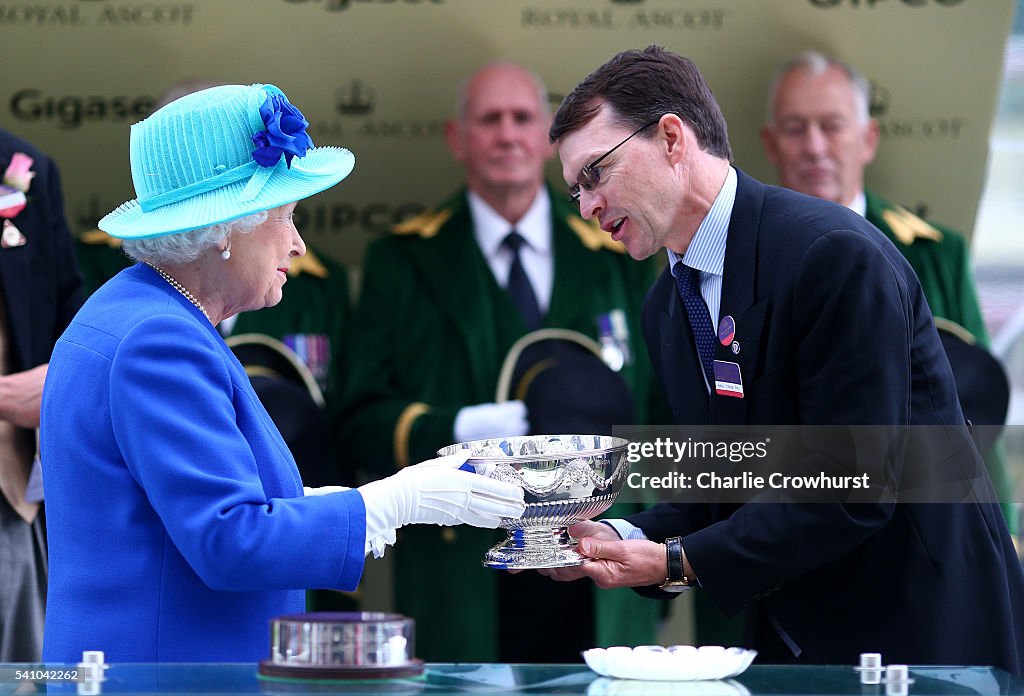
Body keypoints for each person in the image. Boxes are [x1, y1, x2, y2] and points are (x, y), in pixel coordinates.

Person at [543, 45, 1024, 674]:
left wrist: (675, 560)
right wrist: (624, 538)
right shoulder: (666, 304)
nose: (586, 205)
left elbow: (851, 488)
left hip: (923, 637)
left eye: (595, 174)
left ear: (670, 138)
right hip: (793, 641)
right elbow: (730, 478)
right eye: (575, 188)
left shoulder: (833, 255)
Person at [38, 83, 526, 663]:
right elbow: (228, 539)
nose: (297, 243)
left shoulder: (137, 310)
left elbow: (188, 508)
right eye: (285, 216)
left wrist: (348, 503)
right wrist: (391, 503)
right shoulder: (159, 339)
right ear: (223, 230)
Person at [339, 61, 664, 662]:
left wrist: (656, 546)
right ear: (458, 138)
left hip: (597, 565)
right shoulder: (405, 261)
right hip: (463, 570)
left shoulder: (620, 248)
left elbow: (659, 409)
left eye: (522, 118)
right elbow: (359, 421)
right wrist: (463, 431)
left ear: (546, 133)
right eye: (490, 119)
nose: (508, 134)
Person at [759, 50, 1017, 536]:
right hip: (782, 545)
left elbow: (976, 416)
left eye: (832, 125)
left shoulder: (936, 254)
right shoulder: (732, 257)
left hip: (919, 545)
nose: (814, 146)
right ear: (770, 144)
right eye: (795, 128)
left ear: (868, 138)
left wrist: (1003, 539)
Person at [0, 131, 84, 661]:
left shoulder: (24, 167)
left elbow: (67, 320)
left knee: (28, 679)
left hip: (10, 495)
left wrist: (61, 378)